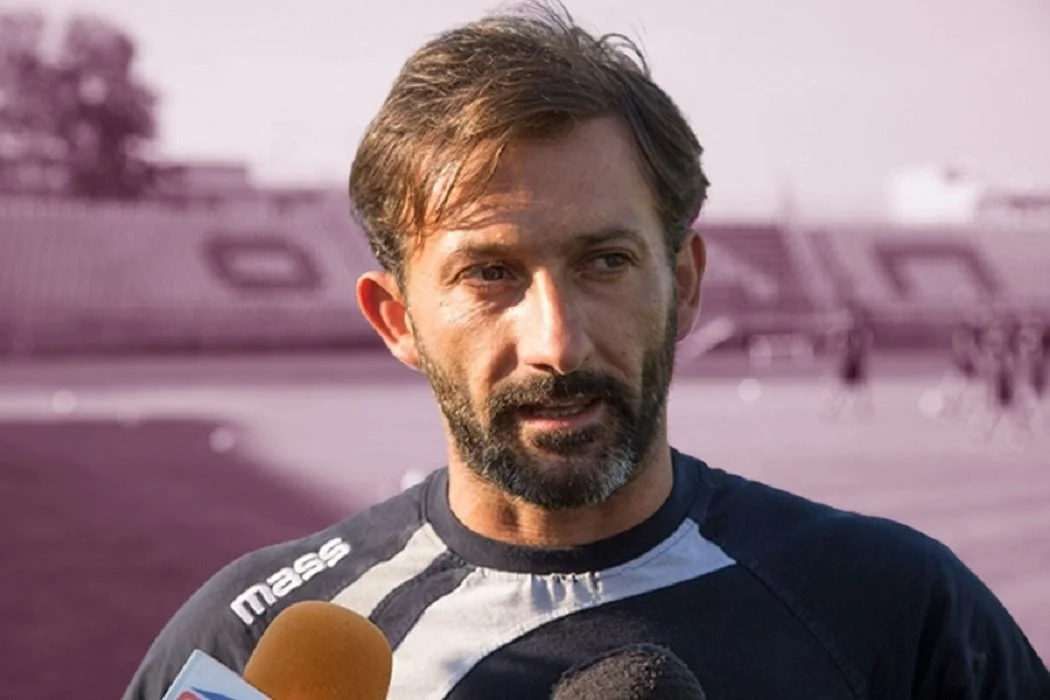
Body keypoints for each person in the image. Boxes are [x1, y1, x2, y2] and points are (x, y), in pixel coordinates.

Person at [123, 3, 1050, 698]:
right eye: (489, 273)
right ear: (396, 319)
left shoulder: (899, 611)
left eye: (604, 261)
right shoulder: (245, 647)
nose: (556, 340)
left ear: (683, 283)